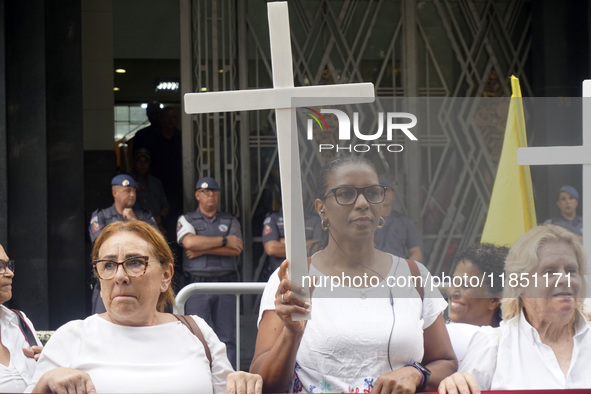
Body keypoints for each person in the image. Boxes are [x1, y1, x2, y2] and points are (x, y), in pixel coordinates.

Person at [250, 156, 457, 393]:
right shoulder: (293, 280)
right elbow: (262, 383)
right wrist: (292, 333)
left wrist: (415, 373)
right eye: (346, 194)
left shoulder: (414, 275)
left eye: (372, 193)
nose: (362, 203)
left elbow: (446, 362)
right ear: (321, 208)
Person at [27, 220, 262, 394]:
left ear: (166, 275)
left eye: (135, 262)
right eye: (108, 265)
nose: (120, 276)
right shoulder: (72, 336)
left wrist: (242, 384)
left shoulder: (196, 331)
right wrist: (45, 383)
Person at [439, 224, 591, 393]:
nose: (565, 279)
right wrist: (456, 382)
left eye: (571, 271)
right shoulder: (493, 345)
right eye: (549, 272)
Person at [177, 177, 243, 368]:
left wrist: (201, 248)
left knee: (227, 338)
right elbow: (189, 243)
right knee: (198, 338)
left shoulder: (230, 220)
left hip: (226, 285)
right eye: (206, 192)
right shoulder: (187, 219)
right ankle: (201, 379)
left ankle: (229, 379)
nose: (211, 195)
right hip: (197, 287)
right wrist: (224, 241)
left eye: (214, 191)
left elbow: (237, 248)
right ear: (197, 195)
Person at [89, 174, 158, 313]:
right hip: (108, 283)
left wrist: (134, 221)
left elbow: (157, 244)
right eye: (127, 191)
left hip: (139, 282)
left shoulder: (144, 216)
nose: (132, 194)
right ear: (115, 192)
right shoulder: (101, 216)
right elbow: (100, 244)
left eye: (134, 191)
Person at [445, 243, 508, 366]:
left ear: (494, 300)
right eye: (454, 281)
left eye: (466, 285)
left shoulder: (509, 346)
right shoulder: (436, 338)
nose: (453, 292)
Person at [0, 243, 43, 393]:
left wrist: (50, 366)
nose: (10, 273)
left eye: (8, 265)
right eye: (0, 266)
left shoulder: (20, 321)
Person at [374, 177, 422, 261]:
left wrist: (405, 269)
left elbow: (416, 253)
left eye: (388, 190)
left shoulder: (404, 222)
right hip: (374, 269)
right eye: (380, 191)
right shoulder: (368, 221)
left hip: (399, 269)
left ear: (393, 193)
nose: (384, 194)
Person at [131, 148, 169, 234]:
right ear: (134, 162)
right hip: (140, 227)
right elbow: (131, 208)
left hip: (159, 227)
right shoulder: (130, 183)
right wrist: (151, 220)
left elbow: (165, 205)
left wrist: (160, 218)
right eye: (139, 161)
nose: (142, 164)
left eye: (145, 161)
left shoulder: (155, 182)